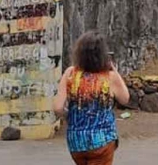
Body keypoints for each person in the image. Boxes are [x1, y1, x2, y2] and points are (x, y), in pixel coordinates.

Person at [52, 31, 129, 164]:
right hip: (102, 141)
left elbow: (58, 108)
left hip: (76, 142)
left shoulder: (70, 73)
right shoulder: (109, 77)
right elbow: (125, 99)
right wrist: (115, 71)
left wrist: (69, 117)